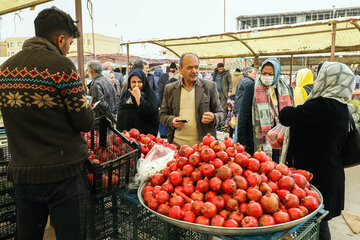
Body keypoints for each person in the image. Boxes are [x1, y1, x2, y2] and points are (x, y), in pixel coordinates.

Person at [0, 7, 95, 240]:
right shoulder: (61, 67)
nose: (69, 49)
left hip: (23, 173)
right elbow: (85, 122)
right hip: (63, 175)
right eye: (70, 43)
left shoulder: (4, 71)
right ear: (60, 39)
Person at [279, 61, 356, 240]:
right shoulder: (343, 107)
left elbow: (286, 116)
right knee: (320, 221)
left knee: (317, 223)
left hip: (316, 176)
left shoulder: (322, 105)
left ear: (327, 78)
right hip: (332, 173)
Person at [159, 53, 226, 147]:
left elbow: (221, 113)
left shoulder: (210, 87)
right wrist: (172, 120)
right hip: (177, 145)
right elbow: (162, 115)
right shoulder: (170, 89)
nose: (194, 71)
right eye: (190, 68)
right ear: (180, 70)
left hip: (203, 147)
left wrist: (213, 117)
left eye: (196, 67)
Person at [235, 59, 293, 157]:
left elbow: (291, 116)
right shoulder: (251, 88)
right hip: (256, 141)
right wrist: (242, 141)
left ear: (277, 74)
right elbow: (243, 116)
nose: (266, 77)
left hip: (279, 140)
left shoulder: (287, 89)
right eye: (264, 73)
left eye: (270, 74)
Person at [116, 69, 159, 136]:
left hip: (144, 137)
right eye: (133, 82)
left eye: (139, 82)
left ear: (144, 82)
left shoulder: (149, 95)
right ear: (129, 83)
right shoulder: (125, 95)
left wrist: (138, 97)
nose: (136, 85)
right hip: (126, 136)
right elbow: (121, 116)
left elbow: (152, 115)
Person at [233, 67, 257, 150]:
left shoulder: (243, 80)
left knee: (239, 128)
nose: (255, 75)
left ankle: (236, 147)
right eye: (254, 73)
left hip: (238, 106)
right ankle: (237, 148)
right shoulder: (248, 82)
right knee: (240, 129)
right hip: (241, 108)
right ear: (248, 73)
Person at [158, 62, 181, 138]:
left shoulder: (179, 75)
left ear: (176, 68)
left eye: (172, 68)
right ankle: (164, 133)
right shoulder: (168, 75)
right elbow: (161, 90)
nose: (171, 70)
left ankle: (165, 133)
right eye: (170, 68)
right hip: (166, 97)